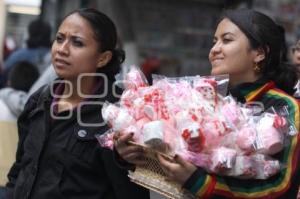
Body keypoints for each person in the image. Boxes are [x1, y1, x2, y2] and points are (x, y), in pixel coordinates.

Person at [114, 9, 300, 198]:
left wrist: (201, 184)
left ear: (259, 53)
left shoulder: (285, 107)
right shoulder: (202, 99)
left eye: (226, 40)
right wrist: (132, 154)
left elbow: (280, 185)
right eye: (214, 42)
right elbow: (175, 155)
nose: (214, 50)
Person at [5, 8, 149, 199]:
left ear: (103, 58)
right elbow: (20, 169)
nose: (62, 50)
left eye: (77, 43)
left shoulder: (119, 116)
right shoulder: (39, 101)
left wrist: (124, 160)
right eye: (59, 38)